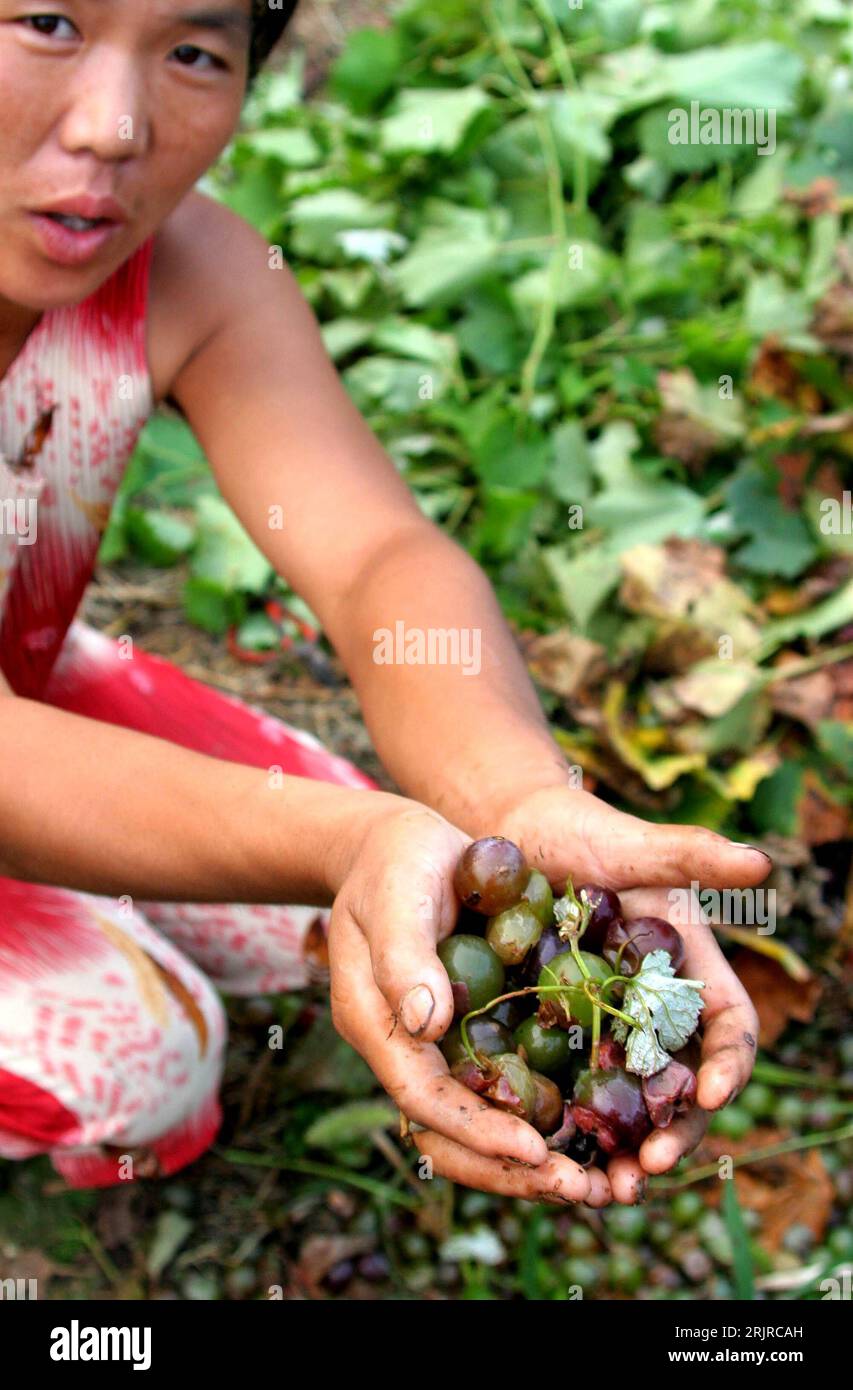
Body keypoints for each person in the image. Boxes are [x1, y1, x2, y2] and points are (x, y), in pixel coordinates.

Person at [0, 0, 768, 1207]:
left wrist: (517, 798)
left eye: (195, 51)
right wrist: (345, 845)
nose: (112, 126)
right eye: (45, 21)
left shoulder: (190, 271)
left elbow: (376, 562)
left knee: (378, 894)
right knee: (152, 1064)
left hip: (24, 691)